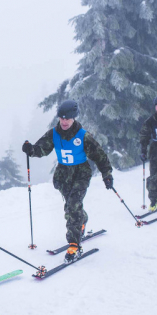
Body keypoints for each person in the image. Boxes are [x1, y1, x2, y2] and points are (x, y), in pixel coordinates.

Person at [22, 100, 113, 263]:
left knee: (73, 205)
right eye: (61, 118)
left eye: (68, 119)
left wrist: (107, 174)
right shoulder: (53, 134)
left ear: (74, 118)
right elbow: (42, 149)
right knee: (72, 207)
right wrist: (31, 150)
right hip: (63, 174)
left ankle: (74, 244)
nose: (64, 122)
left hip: (81, 173)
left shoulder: (83, 136)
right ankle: (82, 221)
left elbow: (99, 156)